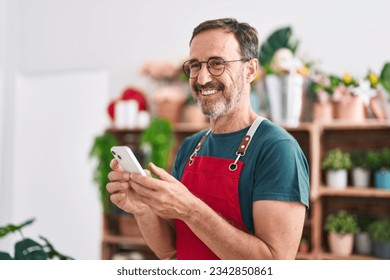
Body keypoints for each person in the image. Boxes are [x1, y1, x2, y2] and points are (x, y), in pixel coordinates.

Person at [106, 18, 309, 260]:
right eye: (195, 65)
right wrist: (143, 210)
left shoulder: (277, 149)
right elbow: (171, 250)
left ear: (250, 70)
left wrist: (190, 209)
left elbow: (273, 265)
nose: (202, 79)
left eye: (216, 64)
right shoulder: (191, 147)